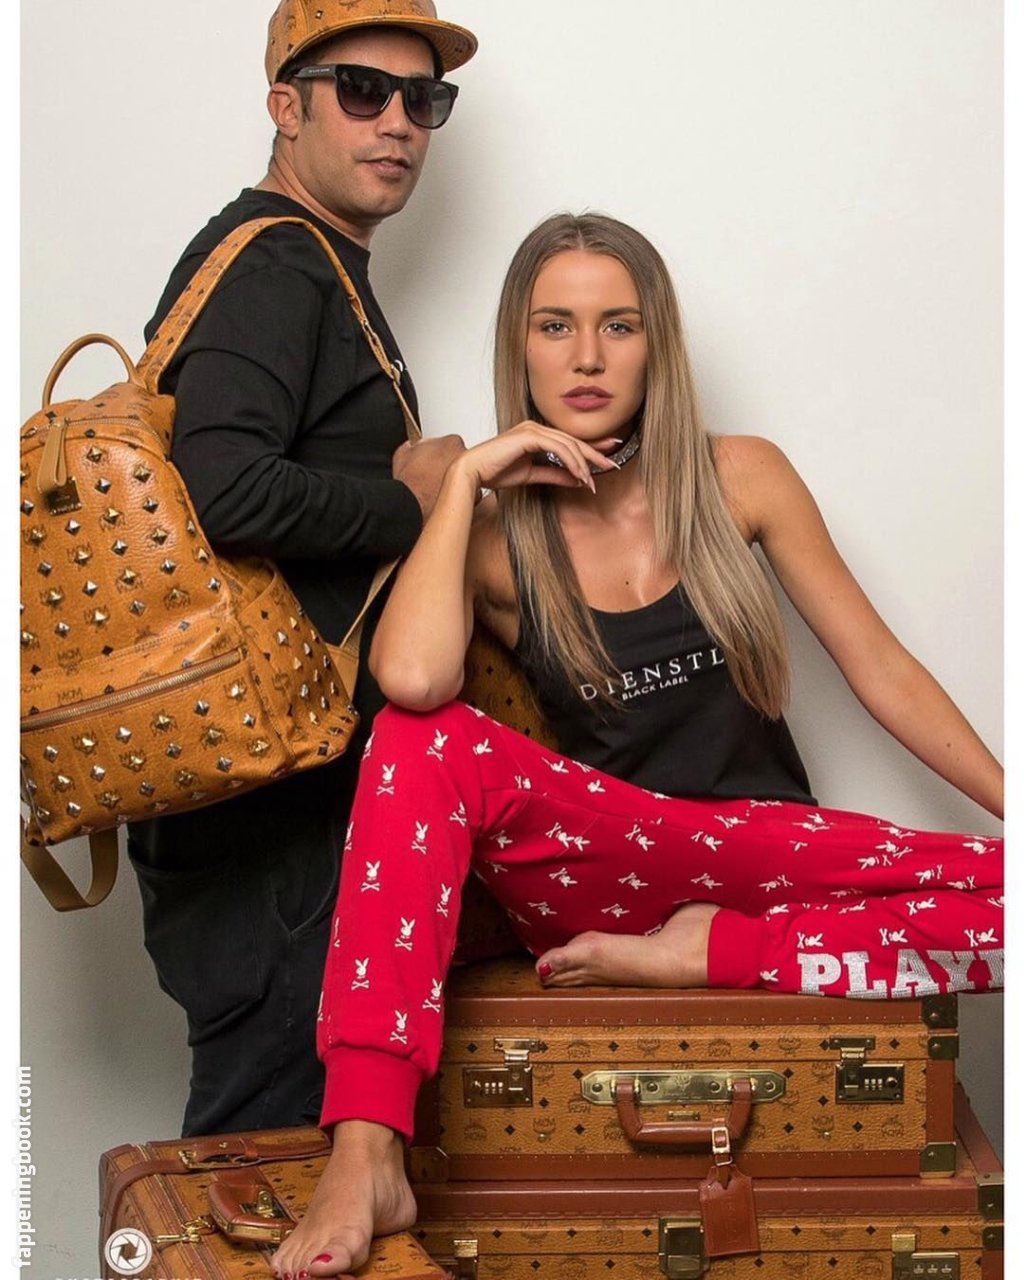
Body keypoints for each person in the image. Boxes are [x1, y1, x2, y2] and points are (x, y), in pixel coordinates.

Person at [270, 213, 1003, 1278]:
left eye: (617, 325)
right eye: (554, 326)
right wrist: (464, 484)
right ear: (518, 346)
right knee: (419, 739)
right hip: (605, 859)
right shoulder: (492, 539)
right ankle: (366, 1147)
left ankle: (719, 952)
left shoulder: (742, 475)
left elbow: (879, 666)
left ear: (657, 343)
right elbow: (414, 683)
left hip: (762, 853)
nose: (586, 356)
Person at [126, 0, 477, 1138]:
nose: (399, 122)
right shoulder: (278, 261)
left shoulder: (310, 260)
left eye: (423, 99)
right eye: (362, 91)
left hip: (280, 788)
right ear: (287, 106)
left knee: (301, 1152)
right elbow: (225, 489)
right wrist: (411, 500)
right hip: (269, 817)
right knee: (264, 1151)